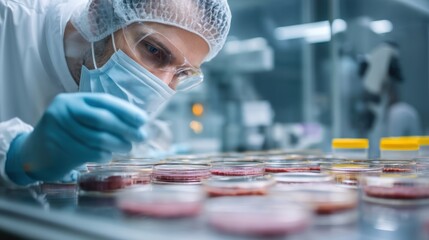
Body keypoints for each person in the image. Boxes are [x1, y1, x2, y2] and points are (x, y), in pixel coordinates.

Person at [0, 0, 231, 186]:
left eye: (182, 73)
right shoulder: (9, 20)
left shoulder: (158, 78)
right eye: (152, 49)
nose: (160, 83)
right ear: (98, 14)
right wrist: (19, 156)